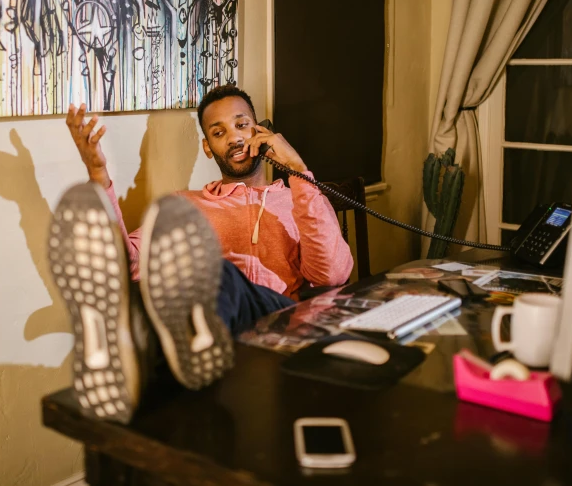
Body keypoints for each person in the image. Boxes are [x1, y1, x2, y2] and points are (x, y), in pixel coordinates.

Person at [51, 86, 353, 423]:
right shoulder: (184, 207)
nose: (235, 138)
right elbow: (129, 264)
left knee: (216, 273)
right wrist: (98, 174)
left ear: (261, 131)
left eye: (242, 125)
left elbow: (332, 274)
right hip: (215, 335)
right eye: (219, 132)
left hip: (279, 322)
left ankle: (142, 355)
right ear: (208, 149)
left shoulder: (297, 198)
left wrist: (297, 169)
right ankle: (141, 356)